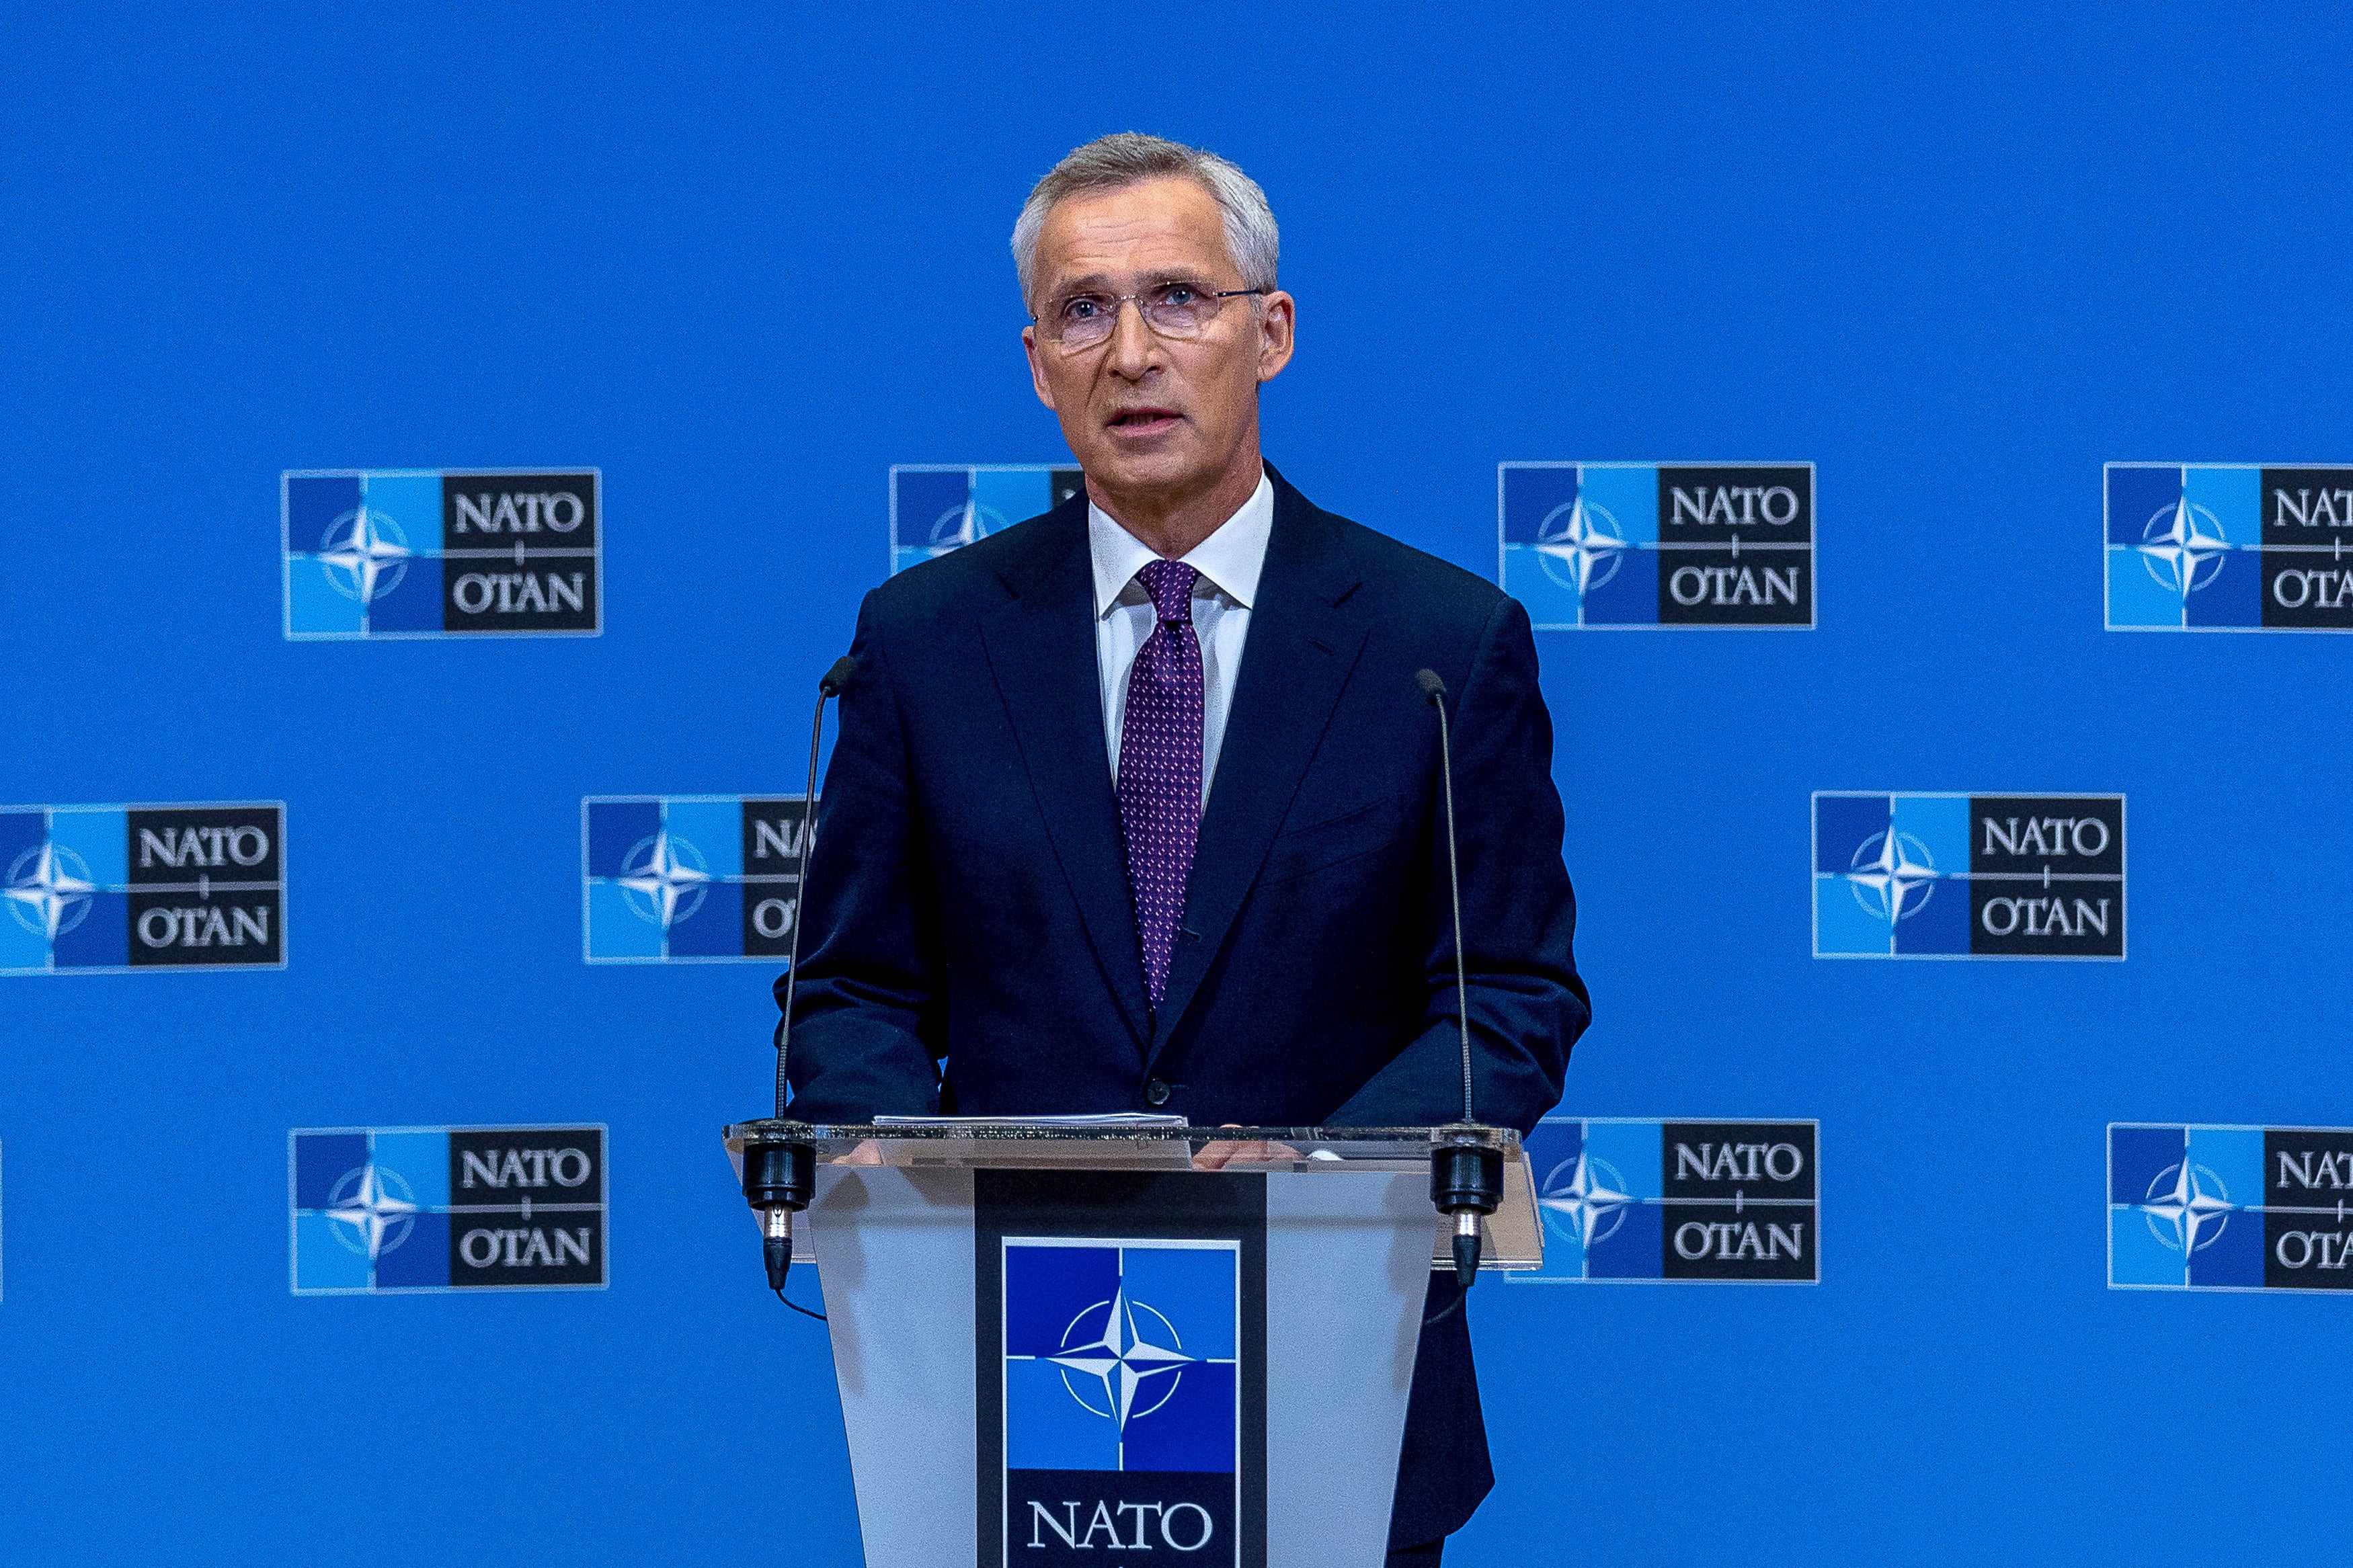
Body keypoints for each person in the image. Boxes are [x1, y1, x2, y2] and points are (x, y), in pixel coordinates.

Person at [781, 132, 1589, 1565]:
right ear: (1035, 360)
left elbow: (1507, 997)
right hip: (1012, 1368)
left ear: (1269, 333)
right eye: (1084, 311)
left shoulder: (1436, 647)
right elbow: (849, 992)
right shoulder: (921, 643)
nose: (1131, 352)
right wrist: (901, 1151)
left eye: (1180, 299)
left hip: (1339, 1363)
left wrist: (1310, 1176)